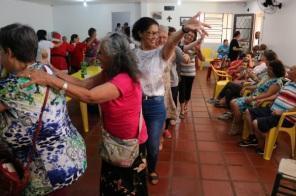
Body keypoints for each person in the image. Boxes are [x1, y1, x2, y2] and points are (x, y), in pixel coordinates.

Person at [18, 32, 149, 196]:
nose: (97, 55)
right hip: (113, 141)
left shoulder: (124, 79)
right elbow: (84, 84)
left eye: (102, 53)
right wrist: (54, 71)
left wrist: (50, 80)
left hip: (128, 143)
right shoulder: (109, 72)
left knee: (128, 186)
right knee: (112, 183)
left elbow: (90, 96)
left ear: (114, 57)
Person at [0, 23, 86, 195]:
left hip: (45, 169)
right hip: (70, 154)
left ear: (9, 53)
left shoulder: (11, 87)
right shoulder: (45, 69)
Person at [132, 12, 210, 185]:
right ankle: (139, 165)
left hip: (155, 104)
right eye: (150, 33)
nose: (154, 37)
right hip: (135, 104)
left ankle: (151, 169)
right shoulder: (132, 54)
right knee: (137, 140)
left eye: (156, 33)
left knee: (153, 143)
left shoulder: (161, 53)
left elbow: (171, 42)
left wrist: (183, 30)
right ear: (140, 34)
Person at [240, 65, 296, 155]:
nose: (288, 71)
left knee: (256, 123)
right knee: (248, 112)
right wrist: (264, 99)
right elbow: (277, 95)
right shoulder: (288, 83)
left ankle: (266, 145)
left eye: (291, 70)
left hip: (285, 118)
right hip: (272, 110)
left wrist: (282, 112)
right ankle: (253, 137)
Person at [229, 59, 286, 135]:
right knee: (233, 102)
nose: (267, 70)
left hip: (258, 99)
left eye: (269, 69)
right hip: (254, 97)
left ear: (274, 70)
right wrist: (247, 88)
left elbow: (268, 94)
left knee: (234, 103)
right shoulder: (268, 77)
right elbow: (258, 86)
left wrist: (254, 98)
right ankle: (238, 124)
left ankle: (238, 125)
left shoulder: (277, 81)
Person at [178, 31, 205, 118]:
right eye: (188, 34)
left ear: (194, 38)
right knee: (181, 91)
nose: (189, 37)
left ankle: (186, 105)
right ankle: (182, 109)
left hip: (191, 73)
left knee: (188, 91)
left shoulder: (195, 46)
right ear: (185, 34)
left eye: (192, 36)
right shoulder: (180, 43)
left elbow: (203, 59)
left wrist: (199, 50)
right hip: (181, 73)